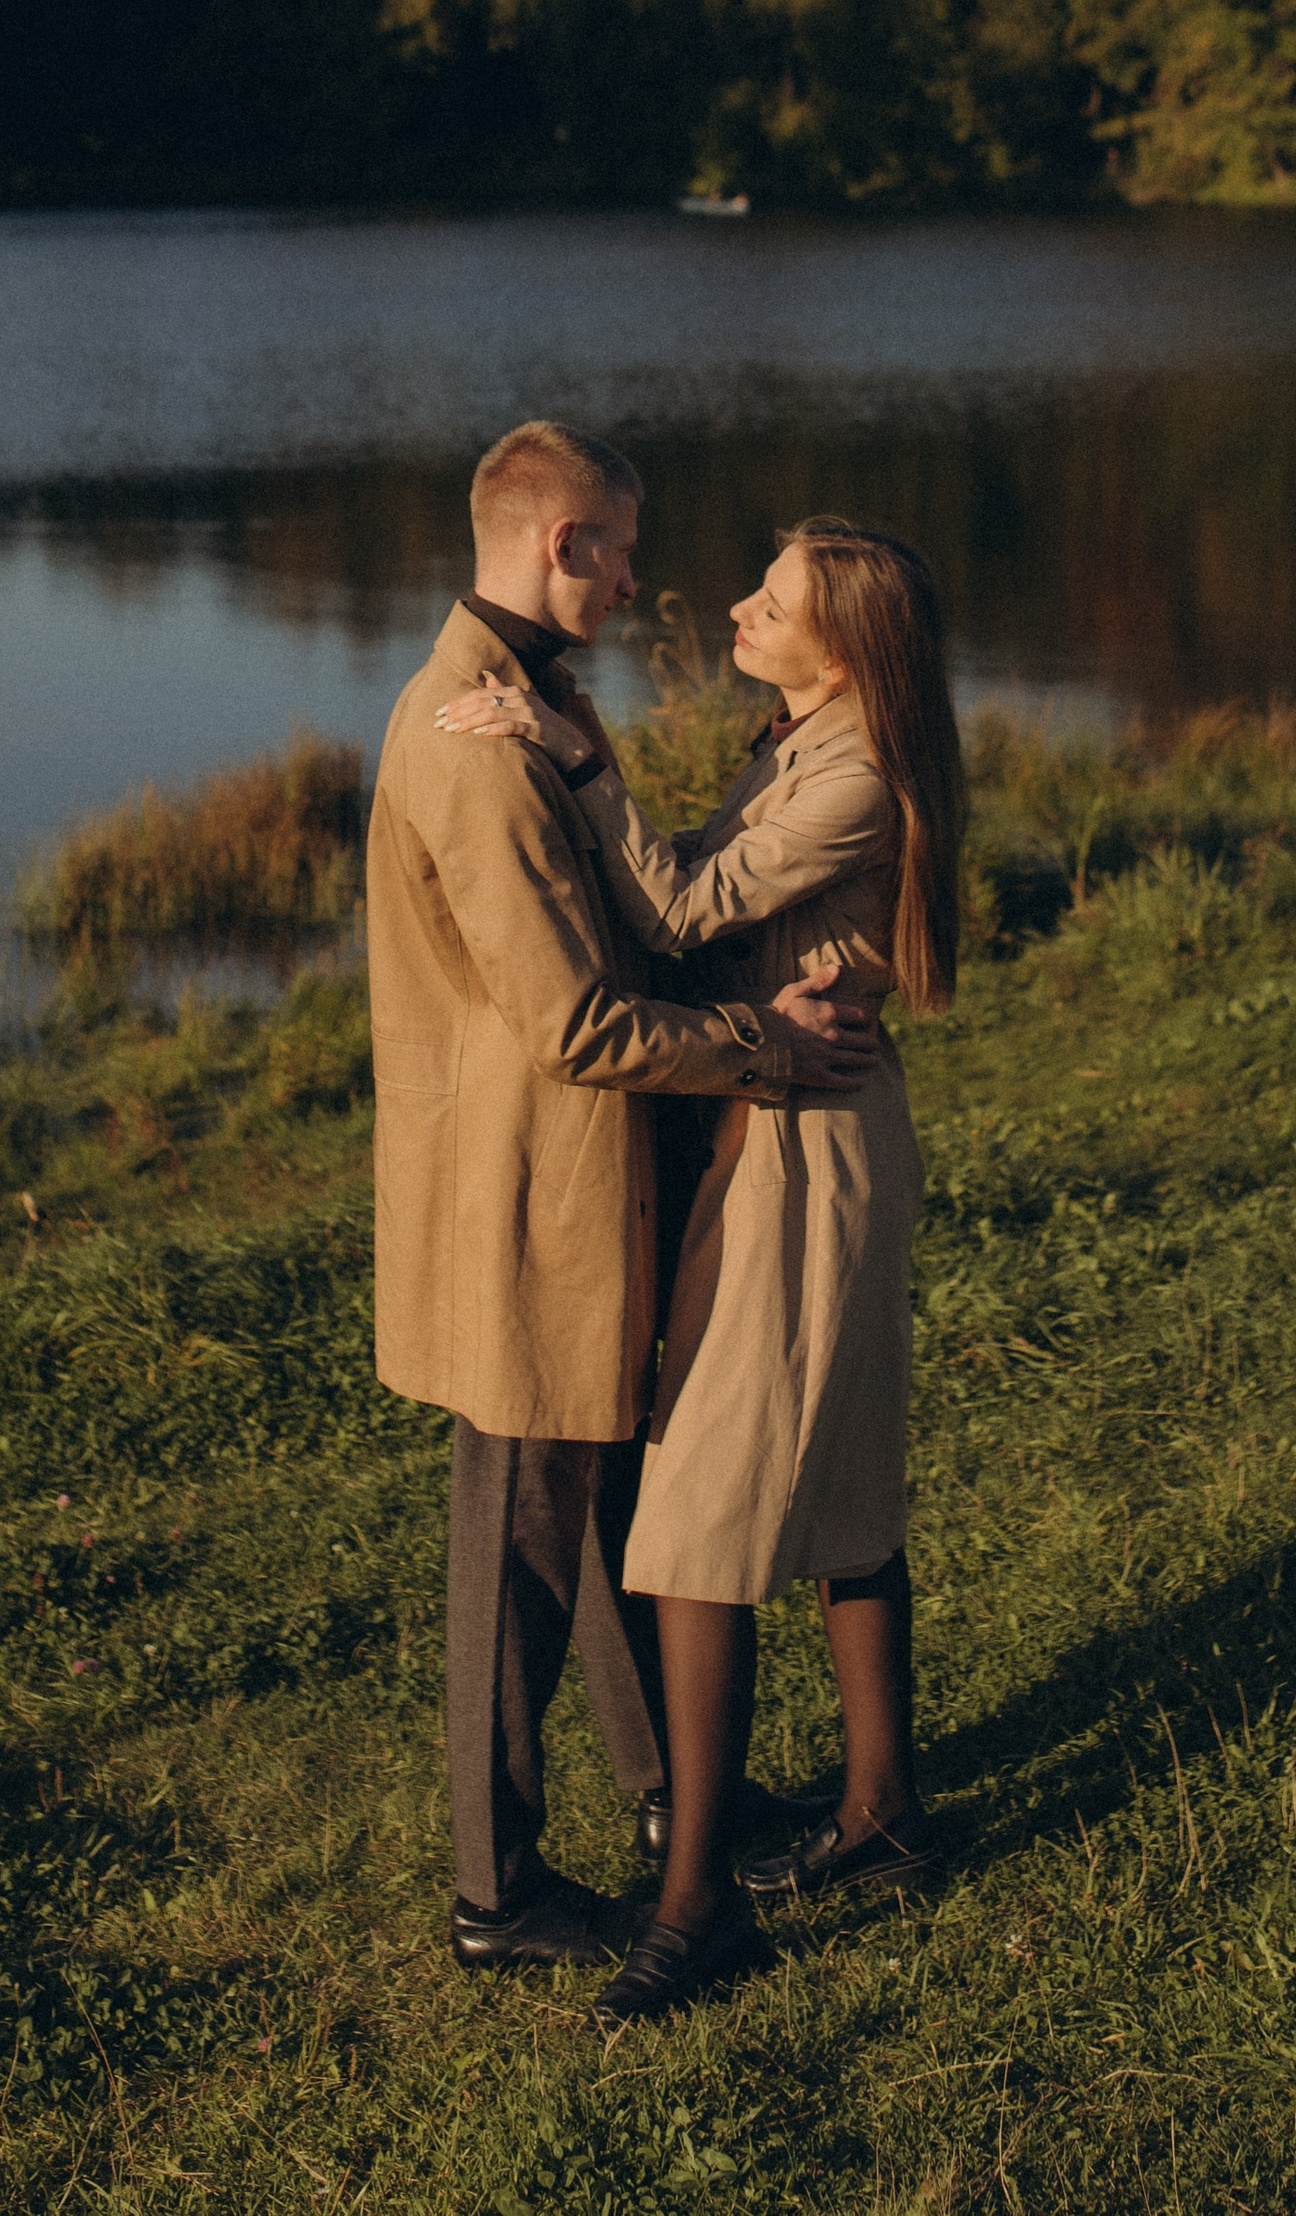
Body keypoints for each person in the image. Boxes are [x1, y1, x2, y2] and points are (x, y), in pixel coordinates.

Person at [438, 513, 963, 2027]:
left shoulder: (854, 770)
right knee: (846, 1490)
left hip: (804, 1149)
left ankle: (699, 1907)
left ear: (844, 641)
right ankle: (883, 1815)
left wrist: (569, 752)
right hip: (795, 1122)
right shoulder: (808, 736)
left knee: (691, 1524)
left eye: (771, 598)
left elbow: (675, 906)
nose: (734, 606)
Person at [368, 422, 877, 1974]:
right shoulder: (479, 741)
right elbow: (576, 1025)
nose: (644, 577)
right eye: (624, 548)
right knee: (518, 1542)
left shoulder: (527, 693)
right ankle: (496, 1897)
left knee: (593, 1519)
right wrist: (765, 1048)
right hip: (524, 1200)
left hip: (573, 1189)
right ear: (560, 543)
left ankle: (673, 1802)